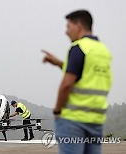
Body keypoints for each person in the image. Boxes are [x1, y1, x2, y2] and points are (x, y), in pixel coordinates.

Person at [42, 10, 112, 154]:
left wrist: (57, 112)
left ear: (78, 26)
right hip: (96, 121)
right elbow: (84, 74)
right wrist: (58, 63)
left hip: (73, 121)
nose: (66, 32)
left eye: (68, 27)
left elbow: (67, 84)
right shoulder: (103, 51)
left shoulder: (79, 48)